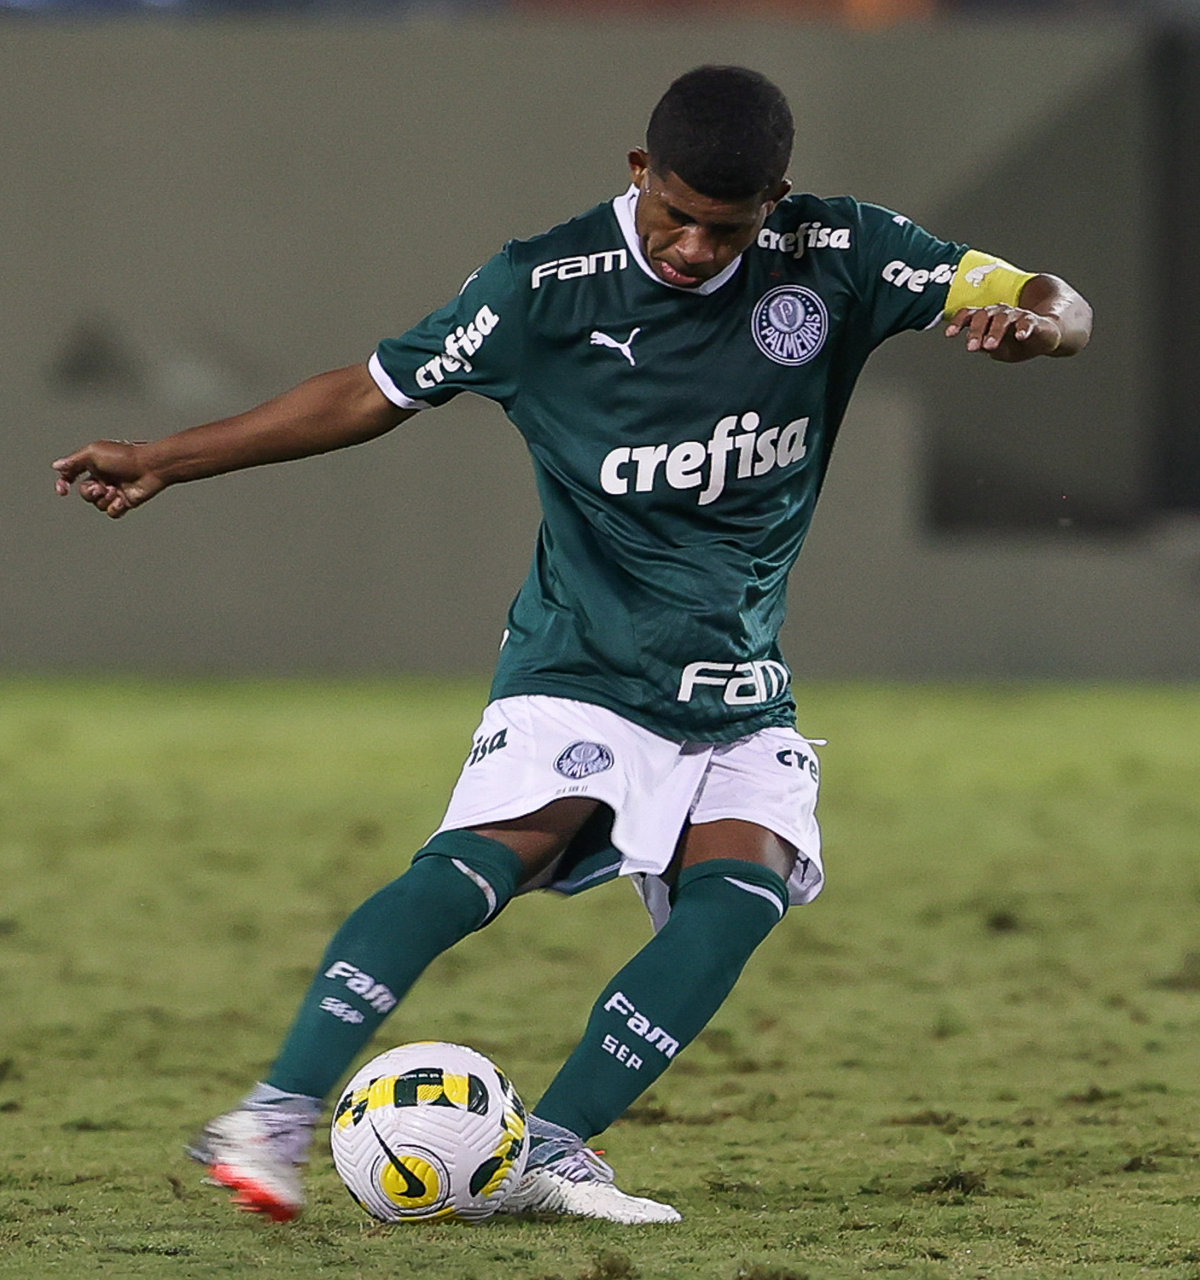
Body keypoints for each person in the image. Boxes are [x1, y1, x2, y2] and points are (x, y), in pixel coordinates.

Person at [53, 65, 1092, 1226]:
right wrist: (166, 458)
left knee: (741, 893)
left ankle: (547, 1150)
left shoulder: (839, 251)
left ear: (775, 202)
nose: (694, 247)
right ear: (639, 171)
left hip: (739, 676)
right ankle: (276, 1112)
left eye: (726, 229)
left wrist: (1037, 328)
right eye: (675, 215)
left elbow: (1051, 297)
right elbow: (370, 392)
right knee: (490, 857)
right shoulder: (542, 287)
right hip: (584, 658)